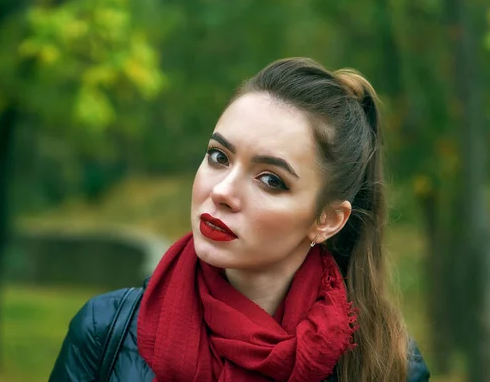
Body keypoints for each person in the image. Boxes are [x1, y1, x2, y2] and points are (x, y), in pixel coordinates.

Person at [48, 57, 430, 382]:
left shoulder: (388, 365)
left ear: (327, 220)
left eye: (270, 180)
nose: (223, 192)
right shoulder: (104, 334)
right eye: (219, 157)